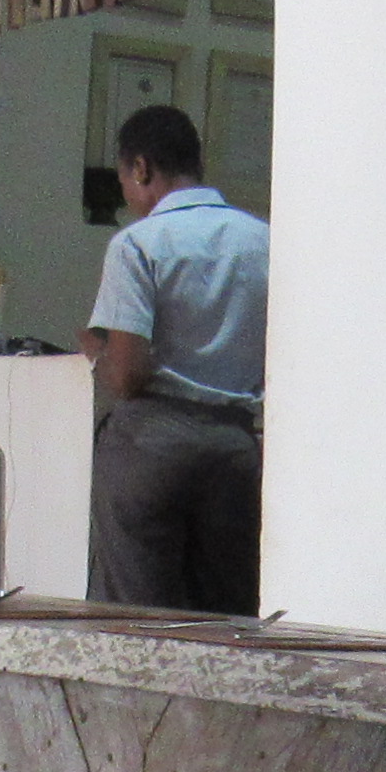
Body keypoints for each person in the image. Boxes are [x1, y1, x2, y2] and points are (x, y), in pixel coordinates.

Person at [82, 104, 266, 612]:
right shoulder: (263, 240)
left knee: (139, 615)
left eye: (124, 179)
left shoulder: (137, 244)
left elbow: (128, 375)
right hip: (236, 447)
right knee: (229, 614)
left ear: (141, 168)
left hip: (153, 445)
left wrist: (97, 352)